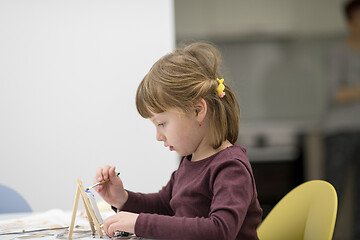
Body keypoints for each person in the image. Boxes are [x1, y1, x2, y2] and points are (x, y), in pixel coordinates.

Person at [93, 42, 263, 240]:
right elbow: (164, 205)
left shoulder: (231, 168)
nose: (158, 136)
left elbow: (219, 231)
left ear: (198, 110)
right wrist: (122, 198)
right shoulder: (190, 160)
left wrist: (139, 223)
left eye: (162, 123)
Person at [324, 0, 360, 239]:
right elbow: (334, 93)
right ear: (349, 22)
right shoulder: (337, 53)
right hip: (340, 132)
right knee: (333, 194)